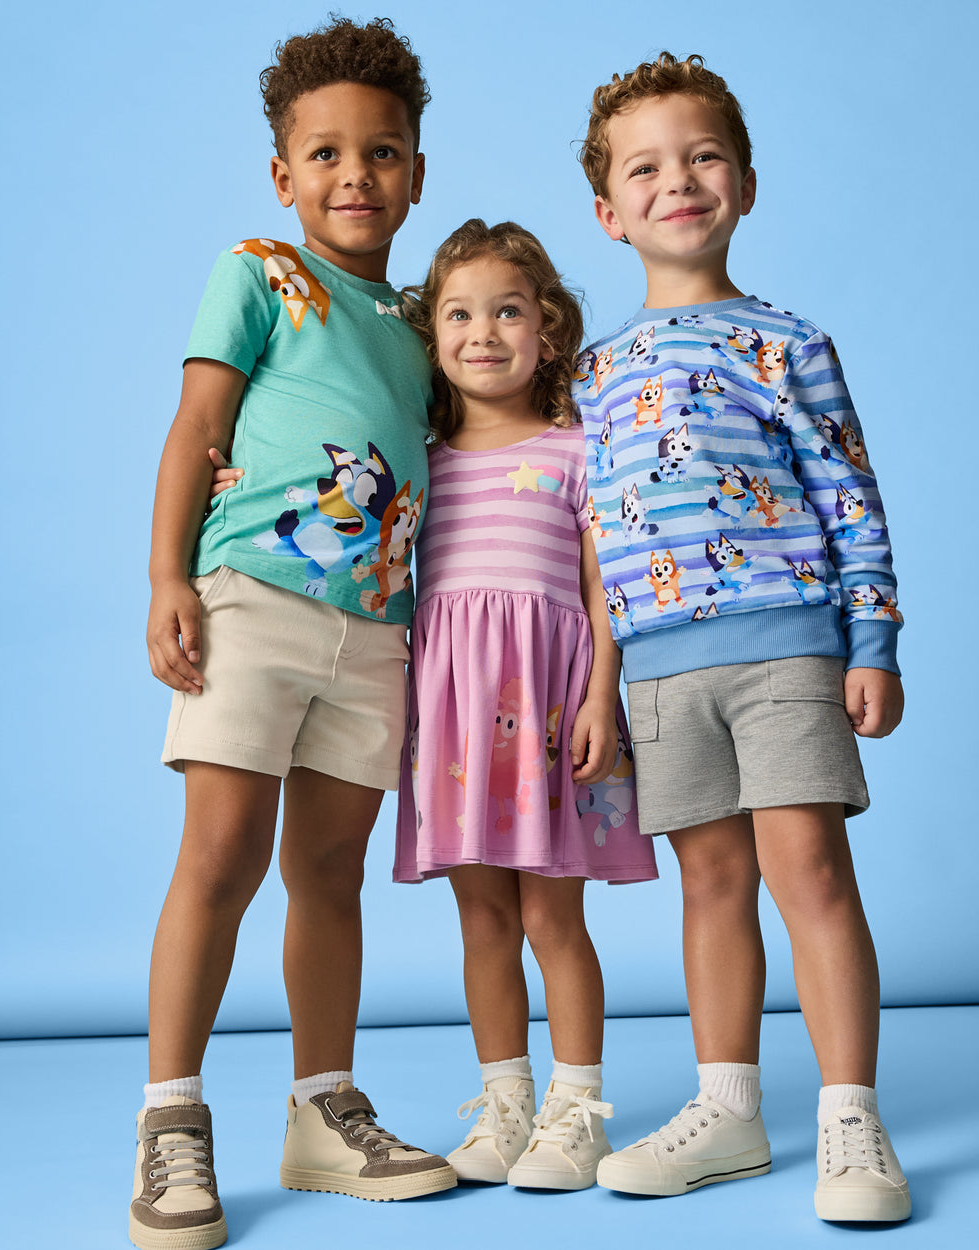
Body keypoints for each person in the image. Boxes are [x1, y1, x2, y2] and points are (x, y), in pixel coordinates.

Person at [134, 19, 456, 1250]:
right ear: (285, 176)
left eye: (382, 151)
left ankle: (324, 1106)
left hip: (376, 628)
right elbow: (195, 422)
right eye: (325, 154)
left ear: (416, 170)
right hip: (253, 602)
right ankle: (171, 1119)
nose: (355, 174)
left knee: (330, 872)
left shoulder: (427, 324)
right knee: (220, 854)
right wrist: (168, 572)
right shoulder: (263, 271)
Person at [574, 53, 910, 1223]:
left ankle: (848, 1116)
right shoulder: (590, 375)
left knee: (807, 869)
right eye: (646, 167)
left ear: (746, 184)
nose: (680, 181)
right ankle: (730, 1109)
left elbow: (851, 498)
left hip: (786, 650)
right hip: (661, 671)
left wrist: (871, 640)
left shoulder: (788, 345)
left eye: (704, 156)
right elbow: (588, 539)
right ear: (608, 211)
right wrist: (600, 690)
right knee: (708, 882)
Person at [392, 218, 658, 1191]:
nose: (483, 331)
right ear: (432, 338)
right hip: (455, 720)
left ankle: (574, 1112)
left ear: (546, 327)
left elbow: (601, 590)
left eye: (508, 310)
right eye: (458, 314)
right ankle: (505, 1107)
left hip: (546, 710)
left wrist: (599, 695)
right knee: (481, 923)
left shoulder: (576, 447)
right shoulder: (420, 457)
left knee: (554, 919)